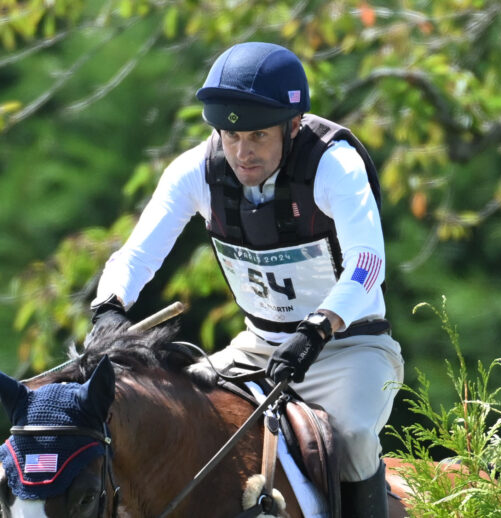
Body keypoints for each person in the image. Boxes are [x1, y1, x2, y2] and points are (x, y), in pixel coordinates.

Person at [89, 41, 404, 517]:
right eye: (231, 136)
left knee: (356, 438)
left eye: (258, 135)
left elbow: (368, 263)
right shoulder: (195, 171)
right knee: (168, 417)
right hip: (257, 350)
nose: (242, 153)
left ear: (292, 125)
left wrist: (318, 328)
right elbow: (135, 256)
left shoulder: (334, 165)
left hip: (349, 348)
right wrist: (109, 307)